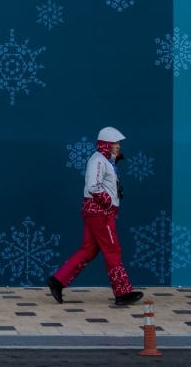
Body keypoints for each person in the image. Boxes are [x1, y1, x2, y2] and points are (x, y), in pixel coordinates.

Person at [47, 126, 144, 306]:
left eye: (119, 143)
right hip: (101, 213)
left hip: (97, 212)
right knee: (113, 250)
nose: (118, 146)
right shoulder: (98, 160)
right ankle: (122, 292)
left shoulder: (106, 161)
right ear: (106, 144)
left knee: (89, 249)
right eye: (115, 143)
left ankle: (58, 281)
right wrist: (108, 203)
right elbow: (93, 185)